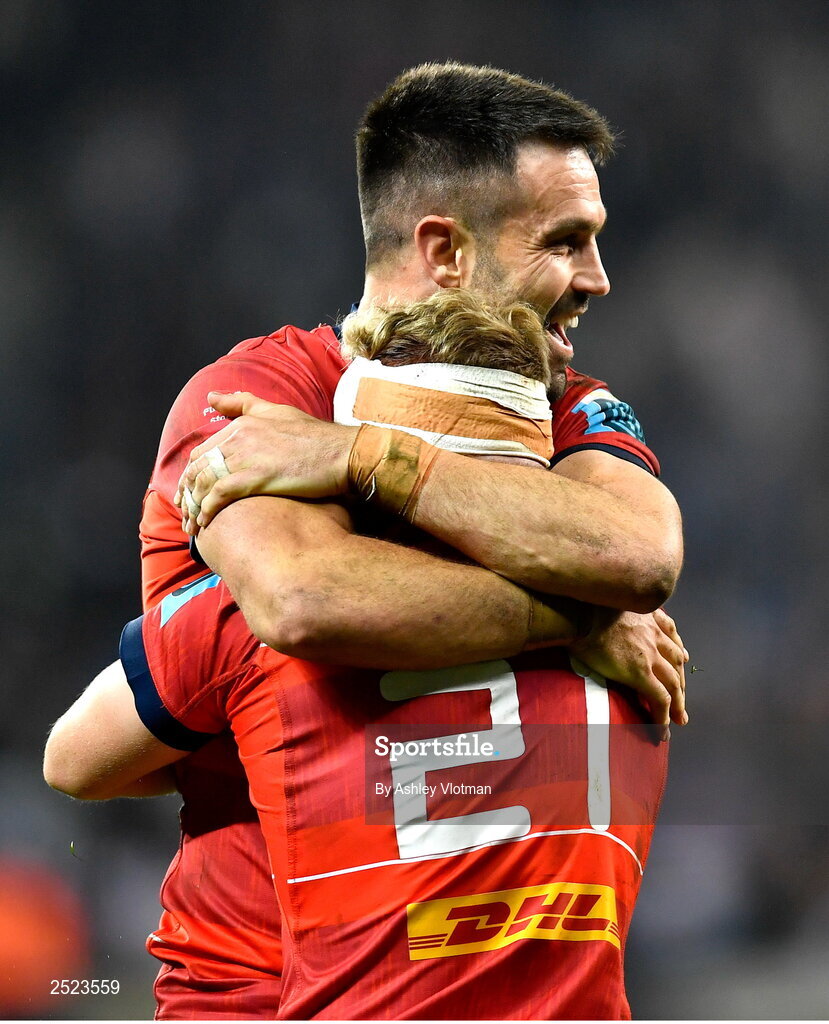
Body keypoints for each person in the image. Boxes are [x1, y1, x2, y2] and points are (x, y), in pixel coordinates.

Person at [65, 62, 685, 1018]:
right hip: (257, 997)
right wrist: (572, 618)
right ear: (442, 250)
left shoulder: (561, 402)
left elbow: (637, 558)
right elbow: (308, 600)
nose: (597, 279)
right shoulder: (254, 398)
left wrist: (360, 458)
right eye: (565, 242)